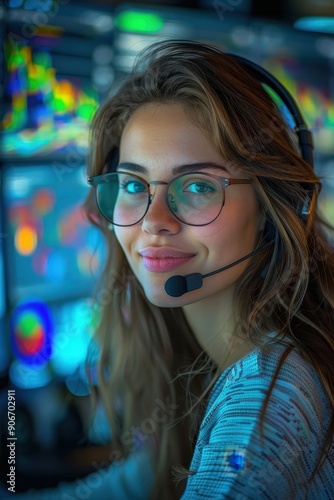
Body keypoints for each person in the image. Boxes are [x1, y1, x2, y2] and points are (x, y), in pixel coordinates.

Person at [7, 39, 334, 499]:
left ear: (270, 206)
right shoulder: (210, 368)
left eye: (198, 185)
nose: (154, 221)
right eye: (134, 184)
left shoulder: (263, 406)